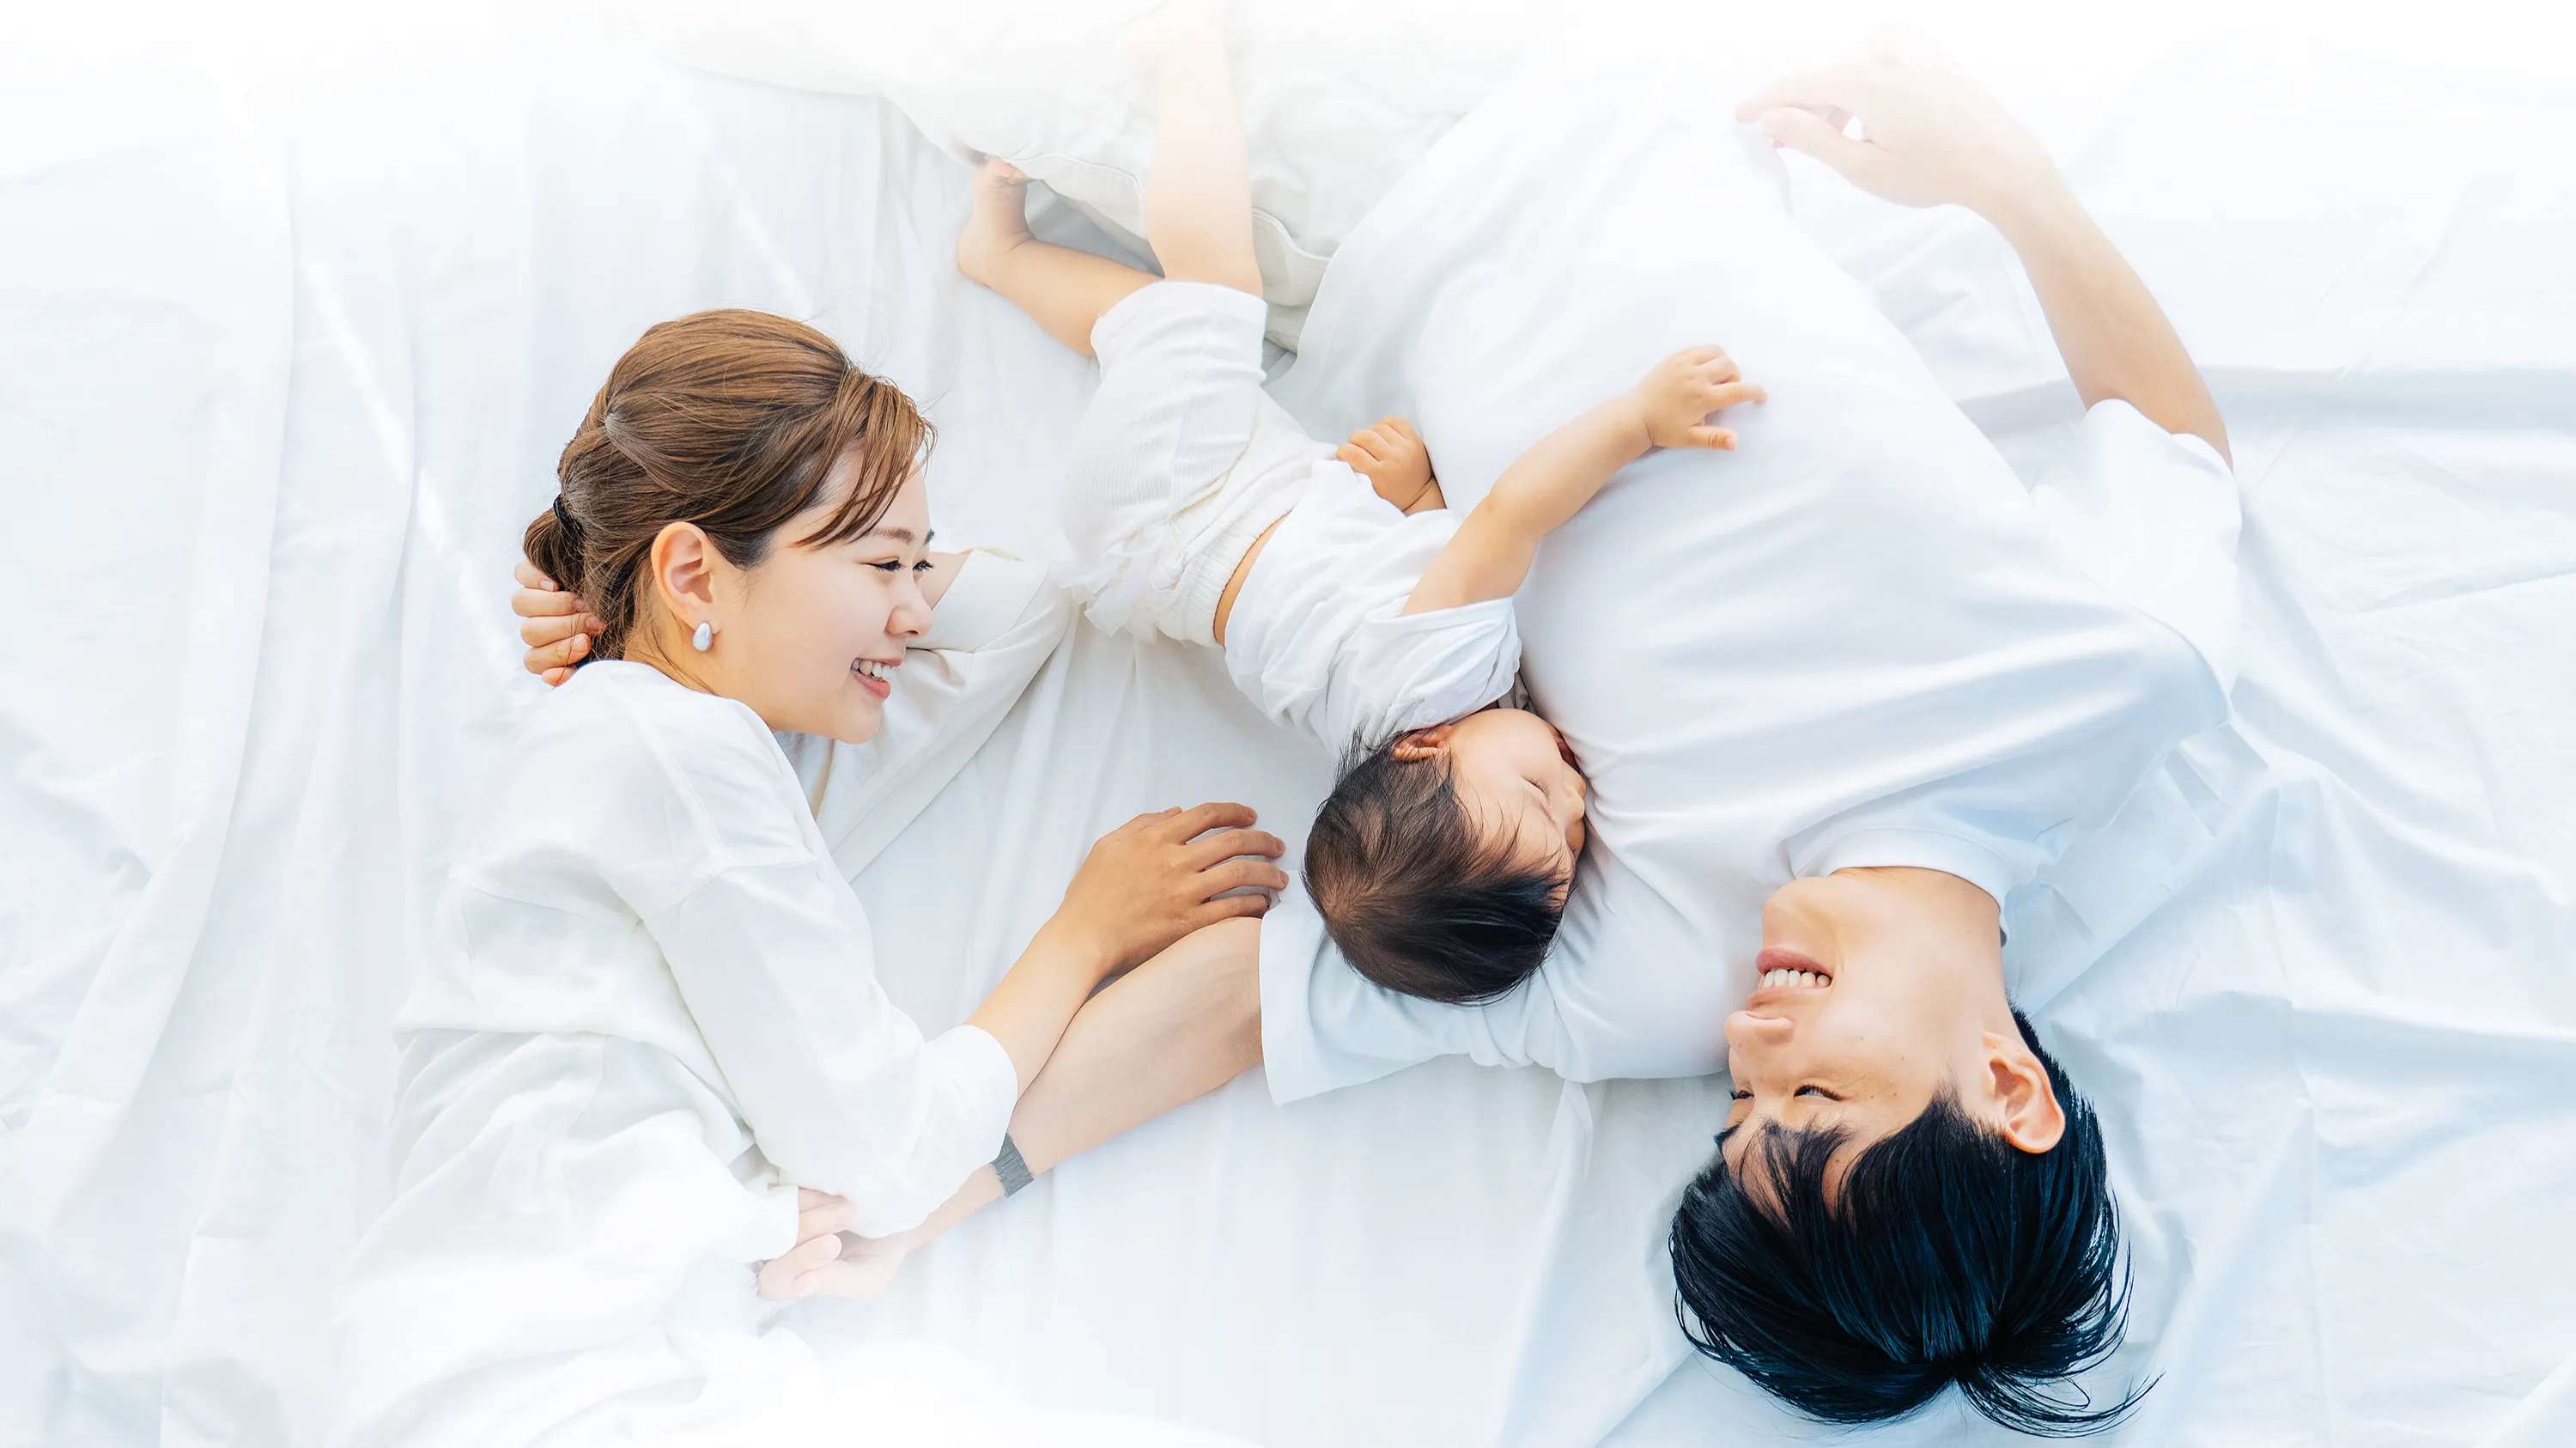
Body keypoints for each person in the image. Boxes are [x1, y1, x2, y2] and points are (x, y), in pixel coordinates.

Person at [1241, 35, 2236, 1434]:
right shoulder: (2123, 685)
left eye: (1738, 1111)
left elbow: (1283, 982)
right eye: (1815, 1086)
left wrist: (963, 1159)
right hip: (1604, 100)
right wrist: (2004, 178)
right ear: (2008, 1085)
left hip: (1342, 228)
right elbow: (2175, 454)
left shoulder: (1641, 982)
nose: (1747, 1038)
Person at [331, 307, 1282, 1448]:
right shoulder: (680, 757)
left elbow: (1026, 615)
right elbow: (887, 1159)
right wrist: (1085, 931)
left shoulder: (633, 740)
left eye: (922, 562)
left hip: (566, 1373)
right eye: (884, 562)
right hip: (574, 1393)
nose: (918, 606)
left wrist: (656, 588)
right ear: (696, 567)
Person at [954, 3, 1764, 1006]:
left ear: (1426, 748)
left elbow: (1513, 512)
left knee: (1213, 291)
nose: (1574, 794)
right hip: (1157, 553)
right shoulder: (1377, 725)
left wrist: (1638, 419)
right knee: (1145, 327)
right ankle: (998, 258)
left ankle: (1187, 66)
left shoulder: (1448, 678)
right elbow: (1386, 591)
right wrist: (1412, 499)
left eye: (1535, 796)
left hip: (1191, 494)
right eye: (1573, 834)